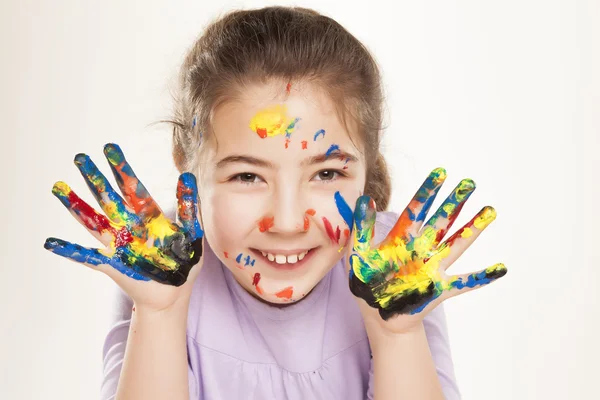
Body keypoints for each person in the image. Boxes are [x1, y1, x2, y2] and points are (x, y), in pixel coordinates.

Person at [44, 6, 507, 400]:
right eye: (247, 175)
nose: (286, 222)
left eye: (327, 174)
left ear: (366, 167)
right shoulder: (159, 262)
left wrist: (396, 335)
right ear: (186, 166)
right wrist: (160, 314)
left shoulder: (395, 266)